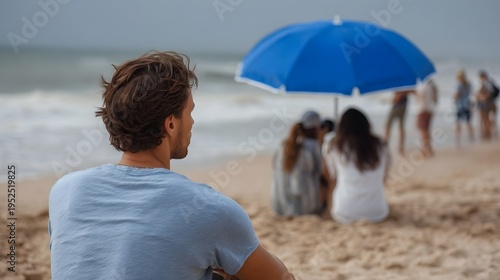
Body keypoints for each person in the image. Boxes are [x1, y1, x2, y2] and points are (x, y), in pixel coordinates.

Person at [48, 51, 294, 280]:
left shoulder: (65, 191)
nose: (193, 121)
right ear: (171, 124)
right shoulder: (210, 210)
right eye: (189, 112)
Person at [324, 108, 390, 224]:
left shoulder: (334, 146)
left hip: (344, 211)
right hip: (377, 212)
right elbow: (384, 176)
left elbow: (332, 178)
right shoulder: (380, 145)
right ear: (366, 125)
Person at [271, 110, 323, 216]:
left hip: (280, 205)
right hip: (305, 208)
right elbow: (321, 171)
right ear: (316, 128)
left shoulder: (282, 145)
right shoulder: (312, 146)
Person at [384, 89, 414, 155]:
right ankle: (400, 147)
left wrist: (398, 96)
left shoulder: (401, 83)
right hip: (403, 104)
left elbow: (411, 91)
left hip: (399, 105)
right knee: (400, 126)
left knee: (388, 125)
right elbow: (412, 91)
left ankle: (385, 145)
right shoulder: (405, 82)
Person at [415, 79, 438, 157]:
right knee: (427, 131)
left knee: (423, 132)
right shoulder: (431, 86)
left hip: (423, 110)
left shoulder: (424, 86)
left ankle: (425, 150)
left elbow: (421, 98)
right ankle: (429, 149)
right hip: (429, 109)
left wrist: (415, 93)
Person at [454, 69, 474, 145]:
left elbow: (458, 94)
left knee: (458, 122)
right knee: (468, 122)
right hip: (467, 104)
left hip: (460, 105)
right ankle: (471, 137)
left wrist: (454, 98)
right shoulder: (468, 84)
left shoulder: (459, 84)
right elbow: (471, 93)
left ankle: (457, 138)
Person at [478, 70, 498, 139]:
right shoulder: (490, 82)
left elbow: (489, 94)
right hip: (490, 103)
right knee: (489, 119)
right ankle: (490, 133)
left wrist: (482, 98)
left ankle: (487, 134)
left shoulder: (486, 83)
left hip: (487, 104)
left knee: (486, 120)